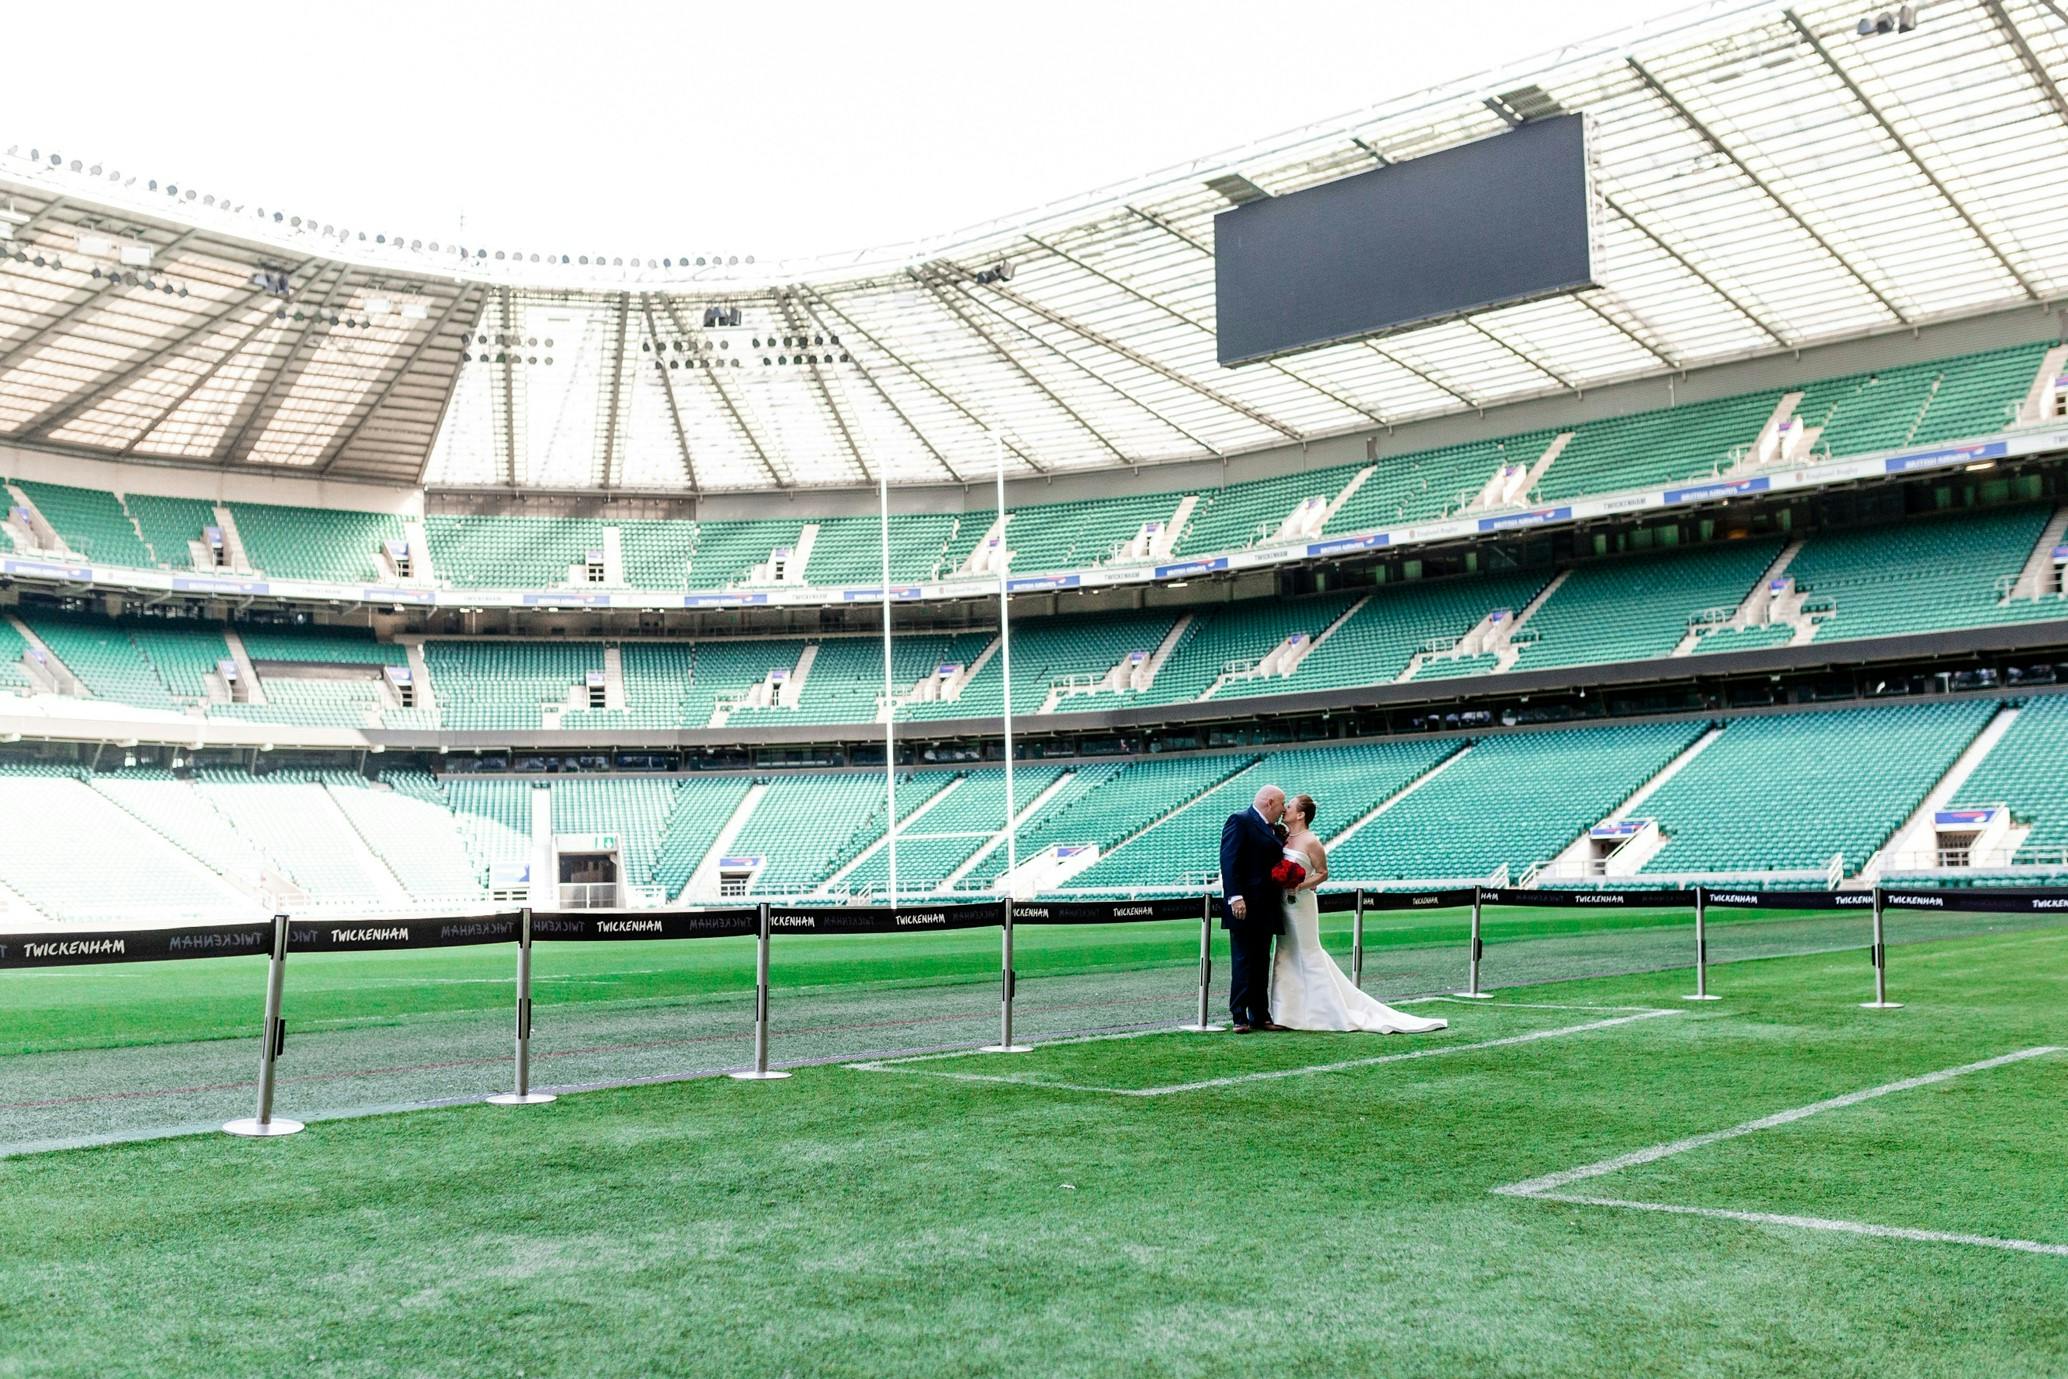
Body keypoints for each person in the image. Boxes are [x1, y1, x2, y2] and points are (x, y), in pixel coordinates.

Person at [1270, 792, 1448, 1035]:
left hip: (1301, 904)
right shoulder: (1282, 836)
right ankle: (1287, 1012)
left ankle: (1325, 1010)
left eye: (1289, 806)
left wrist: (1300, 884)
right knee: (1285, 951)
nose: (1285, 809)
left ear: (1300, 814)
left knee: (1307, 952)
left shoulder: (1311, 841)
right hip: (1282, 904)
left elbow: (1323, 873)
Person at [1219, 784, 1288, 1034]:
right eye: (1282, 804)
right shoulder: (1240, 820)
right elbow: (1229, 860)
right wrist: (1235, 897)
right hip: (1245, 905)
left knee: (1261, 961)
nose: (1284, 809)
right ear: (1269, 802)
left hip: (1267, 906)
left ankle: (1260, 1014)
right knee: (1243, 960)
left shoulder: (1274, 830)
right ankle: (1239, 1015)